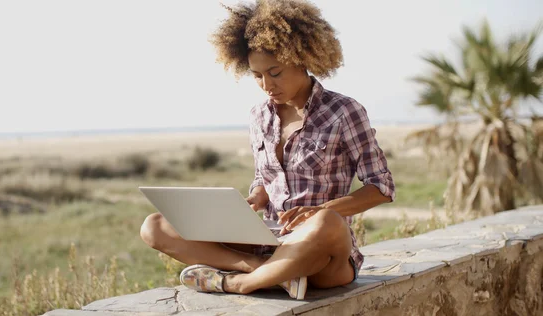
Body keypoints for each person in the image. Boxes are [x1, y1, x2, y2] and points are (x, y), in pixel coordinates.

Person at [140, 0, 395, 300]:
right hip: (268, 240)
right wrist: (254, 198)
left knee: (327, 223)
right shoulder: (259, 116)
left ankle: (239, 283)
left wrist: (321, 211)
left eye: (275, 72)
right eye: (257, 75)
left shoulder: (344, 111)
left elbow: (381, 187)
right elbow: (265, 178)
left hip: (320, 252)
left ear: (301, 58)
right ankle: (262, 270)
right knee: (154, 225)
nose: (266, 84)